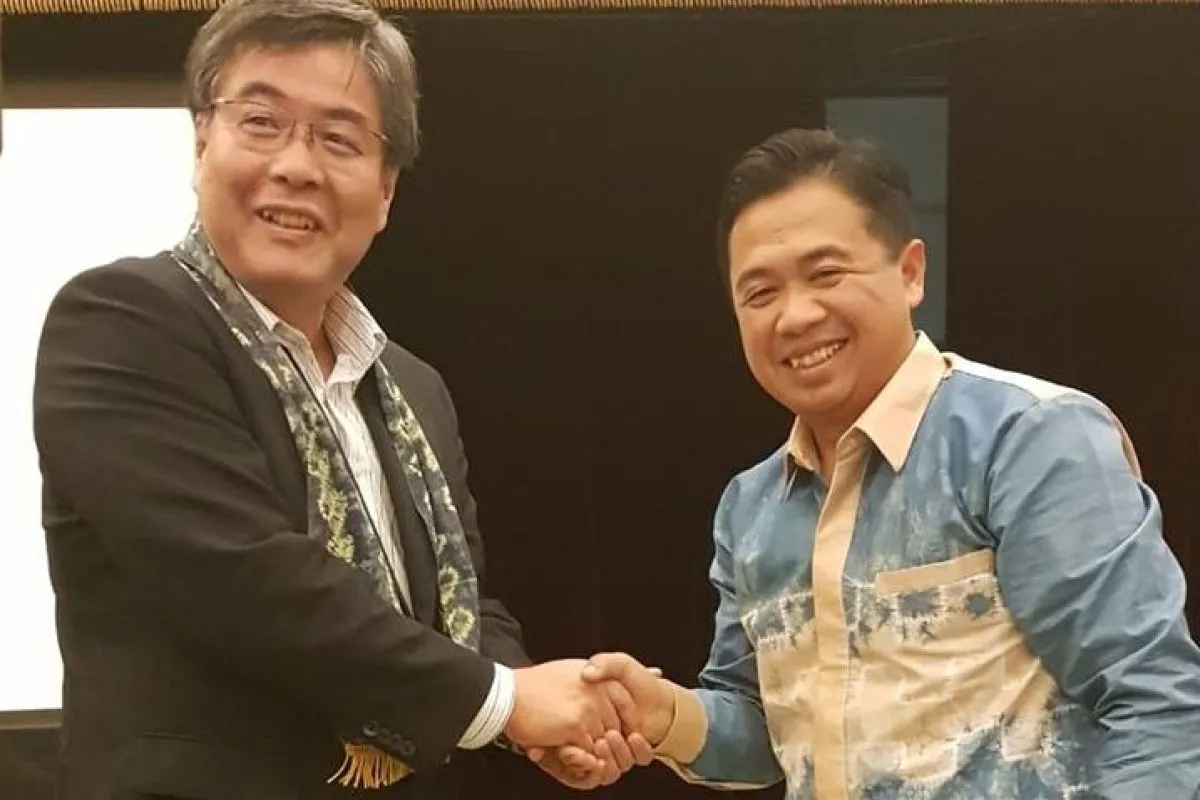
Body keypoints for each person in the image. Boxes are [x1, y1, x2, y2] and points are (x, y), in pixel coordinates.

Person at [31, 0, 645, 796]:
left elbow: (457, 607)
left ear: (385, 191)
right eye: (261, 122)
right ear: (201, 143)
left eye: (339, 138)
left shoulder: (413, 388)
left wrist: (539, 712)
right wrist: (507, 703)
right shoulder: (122, 321)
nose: (297, 166)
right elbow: (246, 581)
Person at [579, 128, 1200, 798]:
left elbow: (1154, 705)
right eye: (759, 293)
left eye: (826, 274)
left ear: (910, 273)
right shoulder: (751, 507)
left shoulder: (1026, 439)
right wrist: (662, 714)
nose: (795, 316)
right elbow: (769, 734)